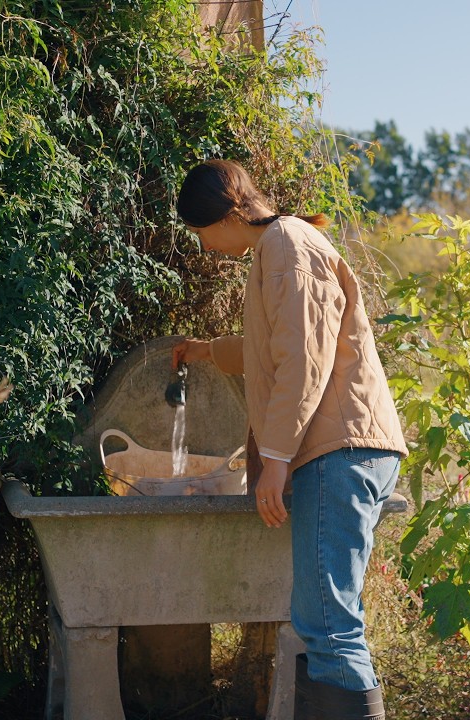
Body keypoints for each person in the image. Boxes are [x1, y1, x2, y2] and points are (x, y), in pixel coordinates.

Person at [171, 159, 407, 720]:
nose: (204, 247)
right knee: (327, 619)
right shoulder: (283, 246)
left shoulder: (287, 248)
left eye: (201, 232)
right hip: (347, 451)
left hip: (337, 453)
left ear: (226, 216)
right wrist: (208, 351)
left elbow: (303, 361)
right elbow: (274, 345)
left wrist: (275, 459)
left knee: (329, 624)